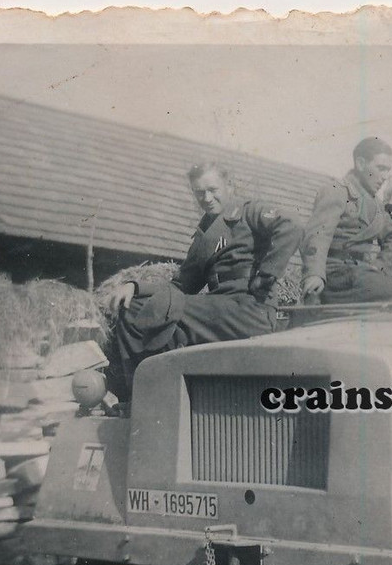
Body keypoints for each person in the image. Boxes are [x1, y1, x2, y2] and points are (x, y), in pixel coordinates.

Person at [104, 162, 303, 402]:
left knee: (152, 312)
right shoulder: (203, 236)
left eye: (213, 190)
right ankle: (149, 398)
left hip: (250, 310)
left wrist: (266, 274)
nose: (207, 198)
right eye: (199, 192)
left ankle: (144, 399)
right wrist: (135, 287)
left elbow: (291, 224)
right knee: (134, 309)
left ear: (229, 185)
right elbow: (179, 287)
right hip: (218, 310)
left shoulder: (248, 212)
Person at [300, 137, 392, 304]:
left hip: (361, 273)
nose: (385, 176)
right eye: (380, 168)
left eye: (388, 170)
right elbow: (317, 235)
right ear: (360, 164)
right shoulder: (336, 191)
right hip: (336, 274)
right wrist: (314, 273)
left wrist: (379, 268)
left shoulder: (376, 204)